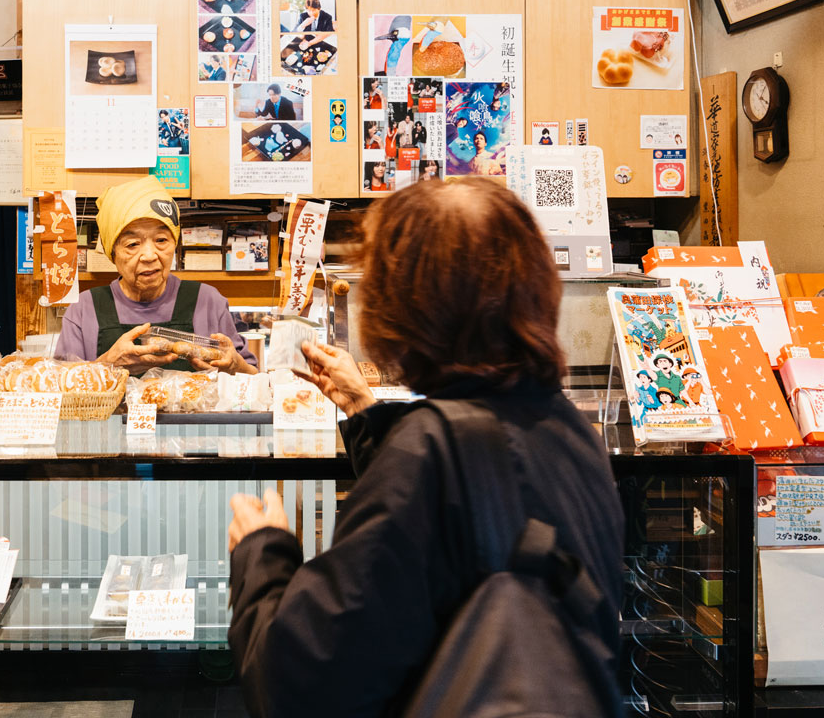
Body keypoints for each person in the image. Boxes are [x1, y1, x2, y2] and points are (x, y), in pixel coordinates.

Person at [227, 178, 624, 717]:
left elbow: (300, 683)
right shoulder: (569, 429)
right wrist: (366, 413)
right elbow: (462, 543)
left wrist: (262, 552)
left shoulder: (431, 449)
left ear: (406, 305)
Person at [55, 176, 257, 374]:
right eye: (132, 244)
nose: (150, 256)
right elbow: (58, 388)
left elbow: (252, 380)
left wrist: (234, 366)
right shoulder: (84, 309)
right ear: (112, 253)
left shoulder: (207, 301)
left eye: (161, 240)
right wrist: (107, 365)